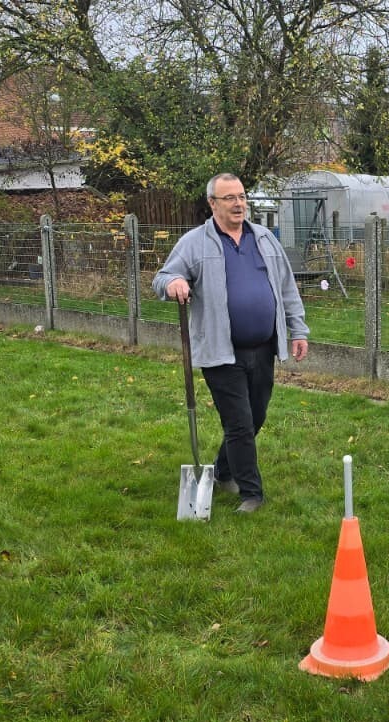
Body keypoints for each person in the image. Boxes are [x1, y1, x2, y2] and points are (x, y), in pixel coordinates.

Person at [152, 173, 309, 513]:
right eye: (229, 198)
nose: (239, 204)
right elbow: (162, 277)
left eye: (241, 197)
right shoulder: (195, 242)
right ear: (212, 204)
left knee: (255, 418)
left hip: (263, 347)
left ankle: (224, 471)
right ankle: (251, 493)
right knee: (238, 422)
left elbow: (286, 289)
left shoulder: (265, 238)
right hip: (220, 351)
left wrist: (298, 330)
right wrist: (174, 282)